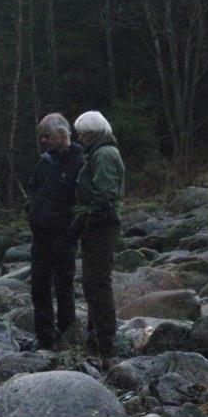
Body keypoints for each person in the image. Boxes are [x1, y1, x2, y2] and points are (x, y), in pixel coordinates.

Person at [27, 113, 84, 349]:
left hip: (64, 234)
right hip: (41, 235)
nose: (43, 141)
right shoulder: (45, 161)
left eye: (47, 136)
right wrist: (31, 210)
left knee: (64, 288)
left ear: (62, 134)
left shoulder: (80, 160)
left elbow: (81, 198)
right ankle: (44, 337)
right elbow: (33, 189)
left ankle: (65, 336)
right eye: (41, 137)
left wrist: (71, 227)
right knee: (39, 287)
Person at [72, 110, 125, 358]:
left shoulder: (103, 155)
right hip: (98, 223)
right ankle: (97, 336)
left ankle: (104, 340)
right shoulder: (98, 153)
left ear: (94, 134)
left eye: (82, 134)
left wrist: (86, 219)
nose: (79, 139)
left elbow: (104, 194)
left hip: (101, 225)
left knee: (97, 283)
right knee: (92, 282)